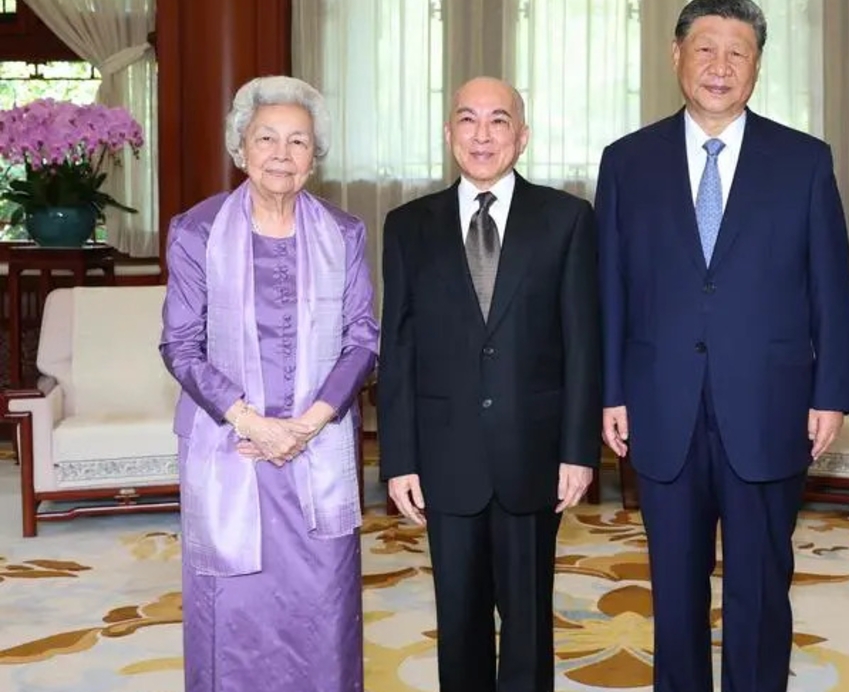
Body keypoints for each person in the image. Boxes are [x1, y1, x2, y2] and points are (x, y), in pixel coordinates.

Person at [595, 0, 849, 692]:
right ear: (676, 55)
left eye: (737, 52)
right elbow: (611, 287)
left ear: (758, 65)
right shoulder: (627, 162)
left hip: (770, 405)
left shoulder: (803, 161)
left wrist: (831, 392)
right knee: (673, 585)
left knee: (761, 585)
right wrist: (610, 391)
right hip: (659, 404)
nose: (720, 65)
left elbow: (829, 284)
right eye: (705, 48)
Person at [377, 76, 601, 692]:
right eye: (468, 120)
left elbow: (584, 344)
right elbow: (396, 349)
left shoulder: (567, 220)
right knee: (458, 619)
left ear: (521, 137)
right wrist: (399, 458)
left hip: (532, 455)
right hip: (445, 459)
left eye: (498, 120)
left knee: (528, 621)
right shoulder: (407, 226)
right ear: (449, 134)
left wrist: (578, 451)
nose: (482, 135)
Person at [160, 75, 379, 692]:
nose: (282, 154)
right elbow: (180, 344)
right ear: (241, 147)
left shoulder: (345, 233)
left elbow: (363, 338)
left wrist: (308, 425)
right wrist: (252, 422)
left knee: (321, 610)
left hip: (318, 448)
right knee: (233, 612)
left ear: (316, 155)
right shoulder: (196, 232)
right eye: (267, 138)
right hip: (233, 447)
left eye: (299, 141)